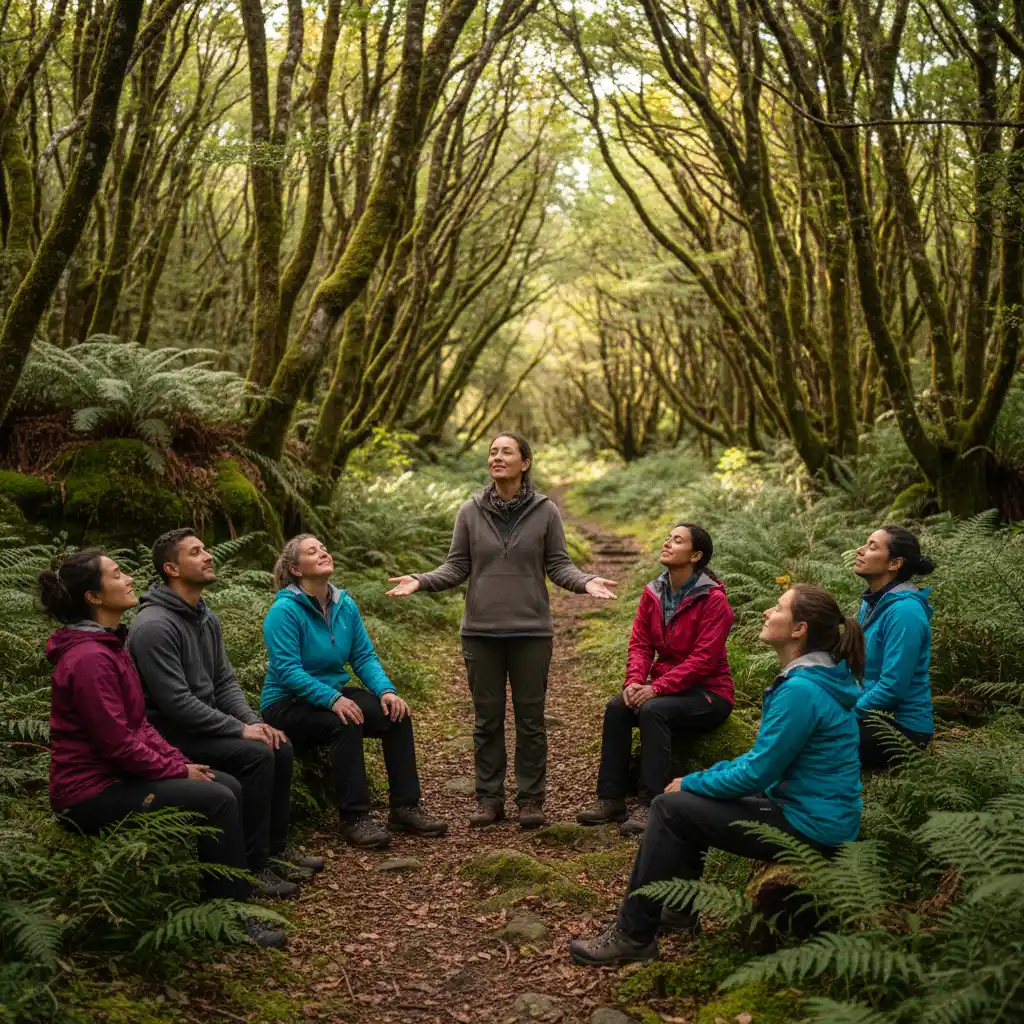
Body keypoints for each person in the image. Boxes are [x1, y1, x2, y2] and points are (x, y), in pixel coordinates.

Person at [570, 584, 863, 966]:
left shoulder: (803, 690)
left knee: (669, 806)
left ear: (798, 629)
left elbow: (757, 772)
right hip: (808, 810)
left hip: (809, 824)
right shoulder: (817, 678)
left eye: (777, 607)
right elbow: (763, 761)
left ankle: (633, 934)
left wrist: (692, 782)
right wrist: (707, 778)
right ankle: (678, 911)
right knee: (692, 799)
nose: (766, 613)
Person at [41, 550, 286, 949]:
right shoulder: (89, 659)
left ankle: (236, 890)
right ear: (94, 597)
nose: (129, 579)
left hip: (117, 777)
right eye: (117, 574)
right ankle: (229, 917)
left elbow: (139, 727)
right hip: (88, 793)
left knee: (224, 784)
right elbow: (117, 743)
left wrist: (181, 762)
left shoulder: (109, 646)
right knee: (219, 797)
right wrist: (175, 772)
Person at [386, 432, 618, 829]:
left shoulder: (546, 511)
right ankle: (488, 799)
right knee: (486, 720)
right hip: (480, 632)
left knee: (531, 720)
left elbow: (559, 565)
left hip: (532, 633)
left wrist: (585, 581)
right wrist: (420, 580)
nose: (496, 457)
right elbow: (456, 567)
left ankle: (531, 800)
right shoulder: (469, 511)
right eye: (492, 452)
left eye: (506, 452)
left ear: (524, 462)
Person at [128, 529, 321, 898]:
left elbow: (225, 682)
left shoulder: (204, 617)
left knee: (277, 744)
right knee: (256, 755)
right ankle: (251, 865)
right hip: (171, 736)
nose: (208, 556)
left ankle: (274, 850)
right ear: (171, 568)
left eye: (206, 548)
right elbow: (177, 704)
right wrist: (237, 730)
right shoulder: (154, 626)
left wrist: (252, 722)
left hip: (202, 726)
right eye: (195, 552)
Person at [261, 535, 446, 848]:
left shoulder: (343, 604)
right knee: (346, 720)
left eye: (323, 547)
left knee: (395, 714)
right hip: (287, 702)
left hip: (331, 695)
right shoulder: (284, 612)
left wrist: (386, 691)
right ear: (295, 569)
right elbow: (288, 672)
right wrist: (333, 700)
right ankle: (355, 818)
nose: (323, 552)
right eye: (312, 551)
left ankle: (405, 807)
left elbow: (362, 656)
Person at [577, 523, 734, 835]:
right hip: (667, 689)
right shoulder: (654, 592)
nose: (667, 543)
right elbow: (640, 644)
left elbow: (703, 661)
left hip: (709, 693)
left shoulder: (714, 600)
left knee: (653, 710)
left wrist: (657, 688)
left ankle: (651, 803)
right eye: (668, 538)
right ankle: (611, 798)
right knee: (618, 707)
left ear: (696, 555)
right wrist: (634, 681)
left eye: (677, 541)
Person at [853, 526, 935, 767]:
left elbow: (892, 688)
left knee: (814, 739)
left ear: (894, 563)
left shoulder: (905, 612)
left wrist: (844, 711)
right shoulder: (871, 603)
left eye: (872, 546)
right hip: (871, 716)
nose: (860, 551)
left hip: (904, 731)